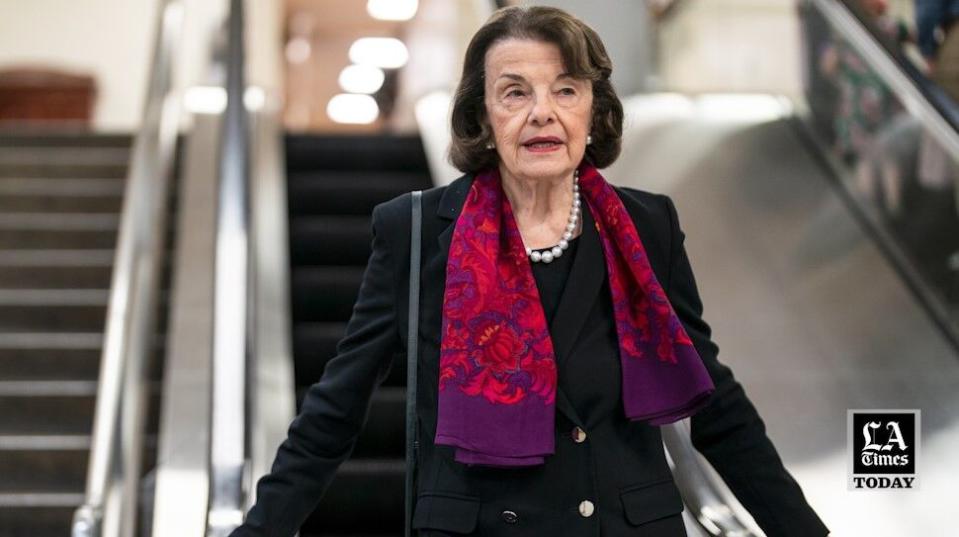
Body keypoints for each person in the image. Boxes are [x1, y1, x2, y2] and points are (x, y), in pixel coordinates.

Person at [230, 6, 830, 537]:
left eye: (566, 90)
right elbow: (335, 410)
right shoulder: (415, 231)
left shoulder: (646, 226)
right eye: (515, 93)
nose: (543, 113)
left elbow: (716, 407)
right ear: (482, 117)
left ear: (594, 110)